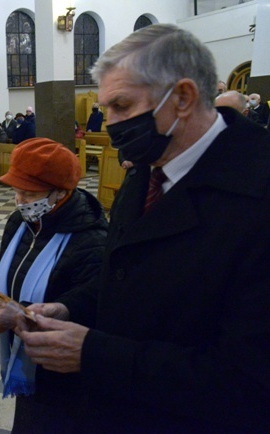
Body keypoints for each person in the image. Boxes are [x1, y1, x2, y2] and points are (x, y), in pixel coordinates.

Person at [16, 24, 270, 433]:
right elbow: (122, 274)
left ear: (183, 98)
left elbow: (247, 380)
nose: (109, 123)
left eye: (121, 105)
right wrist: (70, 307)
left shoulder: (256, 194)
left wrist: (93, 354)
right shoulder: (149, 171)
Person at [0, 138, 108, 433]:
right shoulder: (19, 222)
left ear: (61, 192)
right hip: (26, 358)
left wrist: (24, 316)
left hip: (63, 373)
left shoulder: (91, 240)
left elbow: (89, 307)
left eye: (29, 193)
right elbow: (7, 276)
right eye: (16, 191)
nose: (20, 201)